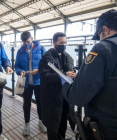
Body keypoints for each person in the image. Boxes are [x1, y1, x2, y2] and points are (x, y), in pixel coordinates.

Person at [60, 9, 117, 140]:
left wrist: (64, 83)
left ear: (105, 30)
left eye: (99, 36)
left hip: (106, 129)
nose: (99, 40)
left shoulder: (102, 49)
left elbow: (78, 97)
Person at [38, 32, 76, 140]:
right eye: (61, 43)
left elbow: (71, 71)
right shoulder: (46, 58)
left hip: (64, 99)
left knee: (63, 125)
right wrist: (63, 76)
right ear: (54, 42)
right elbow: (45, 76)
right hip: (52, 100)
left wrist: (74, 74)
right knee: (53, 128)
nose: (63, 45)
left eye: (64, 42)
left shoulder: (68, 57)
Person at [15, 31, 47, 136]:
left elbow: (47, 65)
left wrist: (38, 70)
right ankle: (27, 124)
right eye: (24, 42)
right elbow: (17, 66)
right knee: (26, 104)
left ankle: (41, 121)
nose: (26, 44)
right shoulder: (20, 51)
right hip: (26, 83)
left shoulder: (41, 49)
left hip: (39, 82)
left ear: (32, 39)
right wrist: (20, 72)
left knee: (40, 103)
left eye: (28, 41)